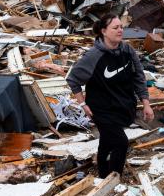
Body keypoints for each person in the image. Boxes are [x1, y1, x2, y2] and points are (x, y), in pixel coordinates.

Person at [66, 13, 154, 178]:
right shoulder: (93, 56)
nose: (120, 30)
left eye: (121, 27)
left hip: (122, 106)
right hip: (101, 110)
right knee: (121, 142)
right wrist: (82, 104)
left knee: (106, 143)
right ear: (104, 31)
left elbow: (139, 76)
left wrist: (146, 103)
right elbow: (73, 79)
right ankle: (113, 181)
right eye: (115, 27)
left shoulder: (127, 50)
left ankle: (102, 177)